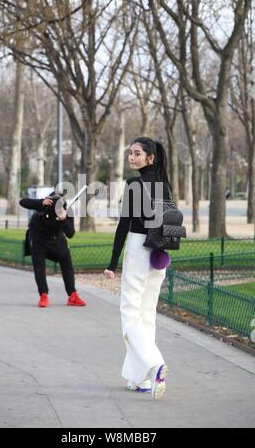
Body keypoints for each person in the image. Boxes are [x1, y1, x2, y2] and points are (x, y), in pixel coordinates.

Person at [104, 137, 171, 401]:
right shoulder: (164, 185)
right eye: (130, 153)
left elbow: (123, 225)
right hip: (160, 254)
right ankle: (140, 378)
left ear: (150, 158)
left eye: (137, 154)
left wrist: (112, 263)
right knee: (146, 315)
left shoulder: (134, 184)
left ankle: (155, 365)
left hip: (139, 250)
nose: (131, 157)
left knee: (130, 314)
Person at [20, 191, 86, 308]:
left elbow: (70, 234)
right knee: (39, 267)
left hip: (57, 239)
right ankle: (43, 295)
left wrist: (64, 219)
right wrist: (41, 202)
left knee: (67, 262)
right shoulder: (43, 205)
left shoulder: (66, 210)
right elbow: (23, 202)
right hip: (38, 239)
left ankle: (72, 295)